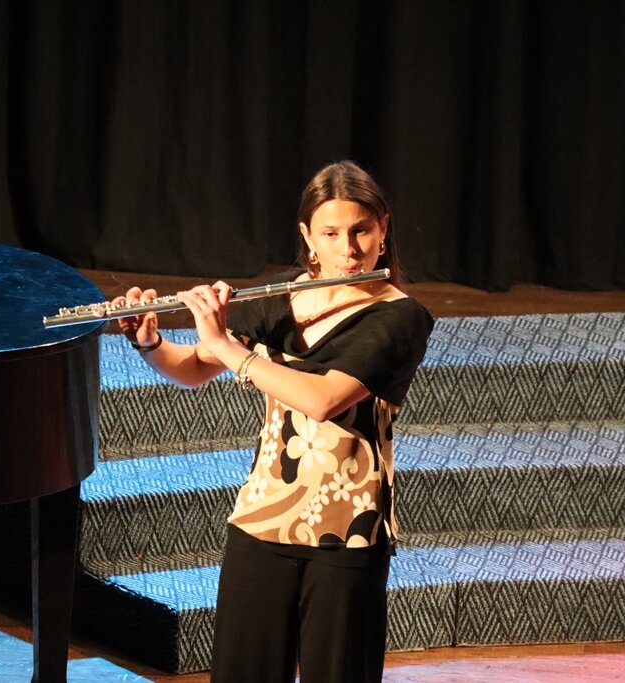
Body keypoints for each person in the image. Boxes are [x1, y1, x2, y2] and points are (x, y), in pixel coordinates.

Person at [113, 161, 434, 683]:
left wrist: (227, 346)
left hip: (346, 533)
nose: (348, 249)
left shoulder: (401, 317)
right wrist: (147, 340)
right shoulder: (279, 296)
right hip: (263, 518)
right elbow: (193, 368)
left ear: (383, 229)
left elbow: (324, 399)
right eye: (330, 233)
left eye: (361, 231)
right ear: (308, 236)